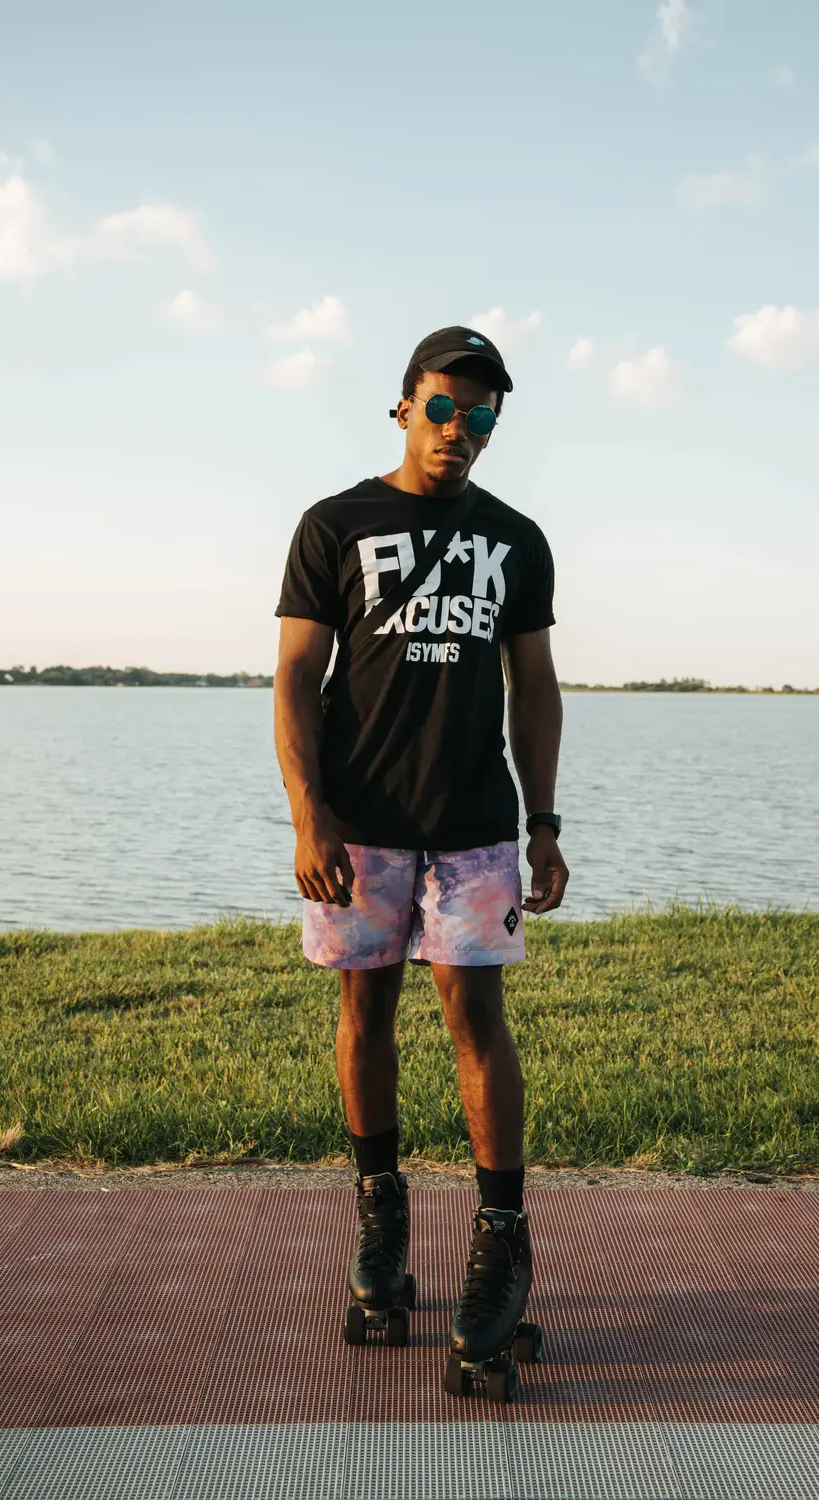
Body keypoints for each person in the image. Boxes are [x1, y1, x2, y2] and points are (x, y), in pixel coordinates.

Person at [273, 325, 567, 1388]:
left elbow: (533, 688)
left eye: (481, 414)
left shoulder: (516, 538)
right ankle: (381, 1226)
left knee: (476, 1017)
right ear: (403, 409)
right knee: (363, 1011)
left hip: (476, 823)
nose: (460, 429)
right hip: (359, 826)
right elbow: (295, 680)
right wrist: (309, 819)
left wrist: (544, 822)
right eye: (443, 407)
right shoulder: (335, 523)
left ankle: (498, 1241)